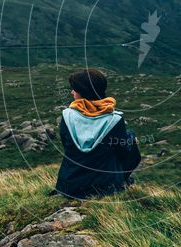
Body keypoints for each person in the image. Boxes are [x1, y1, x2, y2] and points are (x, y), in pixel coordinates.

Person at [55, 68, 141, 199]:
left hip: (69, 186)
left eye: (75, 89)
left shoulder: (67, 116)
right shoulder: (114, 120)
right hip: (105, 187)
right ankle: (121, 181)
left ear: (83, 92)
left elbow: (68, 147)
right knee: (130, 138)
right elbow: (123, 153)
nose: (72, 92)